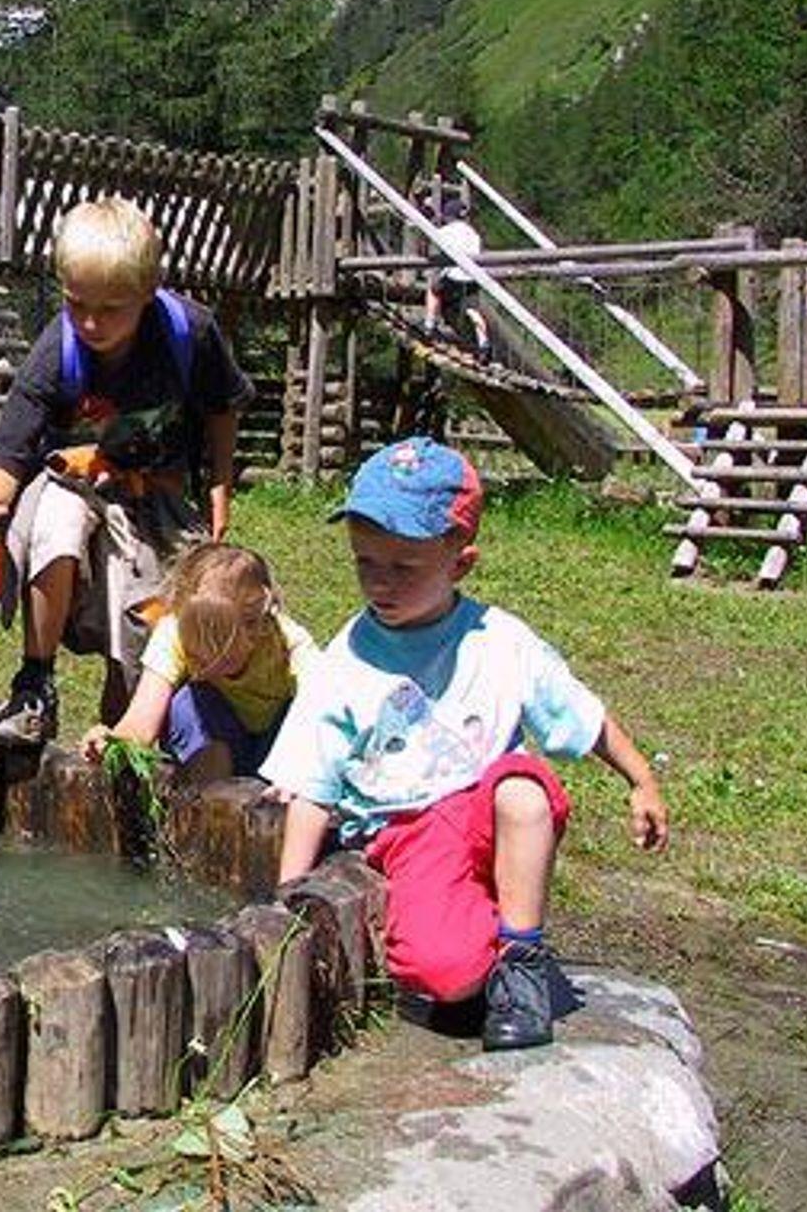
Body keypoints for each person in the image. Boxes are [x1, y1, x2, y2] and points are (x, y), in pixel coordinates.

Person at [261, 435, 669, 1051]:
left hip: (487, 810)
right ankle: (482, 941)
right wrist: (288, 897)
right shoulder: (345, 660)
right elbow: (312, 787)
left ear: (461, 564)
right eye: (365, 563)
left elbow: (579, 715)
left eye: (404, 568)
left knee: (523, 789)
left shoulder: (500, 642)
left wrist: (642, 779)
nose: (380, 583)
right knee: (446, 976)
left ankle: (523, 962)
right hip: (411, 832)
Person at [0, 196, 255, 746]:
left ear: (148, 291)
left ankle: (122, 737)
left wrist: (219, 483)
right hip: (71, 486)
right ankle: (35, 682)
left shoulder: (189, 332)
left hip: (153, 500)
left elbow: (222, 406)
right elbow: (10, 450)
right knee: (58, 517)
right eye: (76, 304)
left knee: (139, 616)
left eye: (111, 309)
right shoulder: (58, 349)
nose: (91, 323)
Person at [81, 542, 315, 785]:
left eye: (217, 640)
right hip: (214, 743)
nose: (200, 651)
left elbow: (326, 704)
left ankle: (278, 795)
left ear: (254, 626)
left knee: (307, 713)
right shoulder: (173, 631)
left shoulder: (285, 641)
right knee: (189, 702)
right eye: (192, 634)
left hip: (276, 752)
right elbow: (142, 721)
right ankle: (212, 797)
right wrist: (112, 743)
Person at [423, 195, 490, 360]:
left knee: (433, 290)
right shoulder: (473, 233)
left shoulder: (446, 231)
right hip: (473, 278)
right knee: (472, 309)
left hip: (455, 276)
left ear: (448, 216)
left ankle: (429, 325)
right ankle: (484, 342)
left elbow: (430, 244)